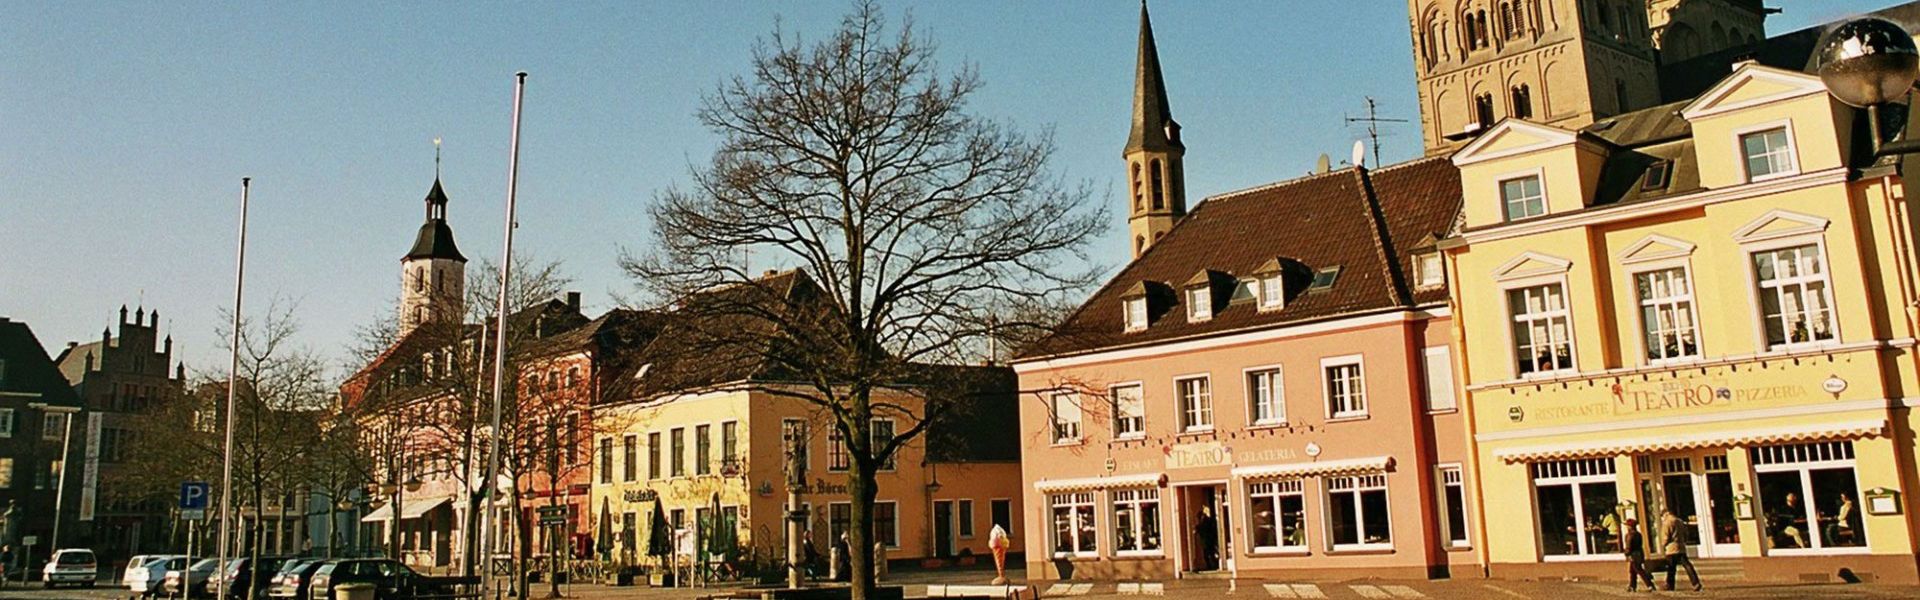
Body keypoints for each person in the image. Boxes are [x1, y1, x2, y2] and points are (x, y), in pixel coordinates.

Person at [1660, 509, 1701, 592]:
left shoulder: (1667, 522)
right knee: (1687, 565)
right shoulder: (1680, 521)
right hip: (1681, 547)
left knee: (1671, 567)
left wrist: (1663, 545)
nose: (1662, 518)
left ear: (1666, 514)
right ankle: (1695, 582)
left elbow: (1666, 537)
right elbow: (1686, 534)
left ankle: (1670, 585)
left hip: (1671, 548)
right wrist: (1683, 542)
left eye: (1662, 516)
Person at [1620, 518, 1654, 592]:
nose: (1626, 527)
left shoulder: (1629, 535)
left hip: (1633, 555)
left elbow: (1628, 546)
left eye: (1627, 525)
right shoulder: (1638, 534)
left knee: (1639, 570)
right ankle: (1632, 586)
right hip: (1639, 553)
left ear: (1630, 526)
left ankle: (1650, 585)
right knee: (1632, 571)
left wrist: (1626, 553)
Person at [1194, 506, 1219, 572]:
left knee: (1209, 554)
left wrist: (1197, 529)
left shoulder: (1205, 522)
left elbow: (1202, 529)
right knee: (1210, 554)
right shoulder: (1206, 521)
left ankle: (1212, 566)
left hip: (1207, 540)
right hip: (1208, 540)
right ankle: (1212, 565)